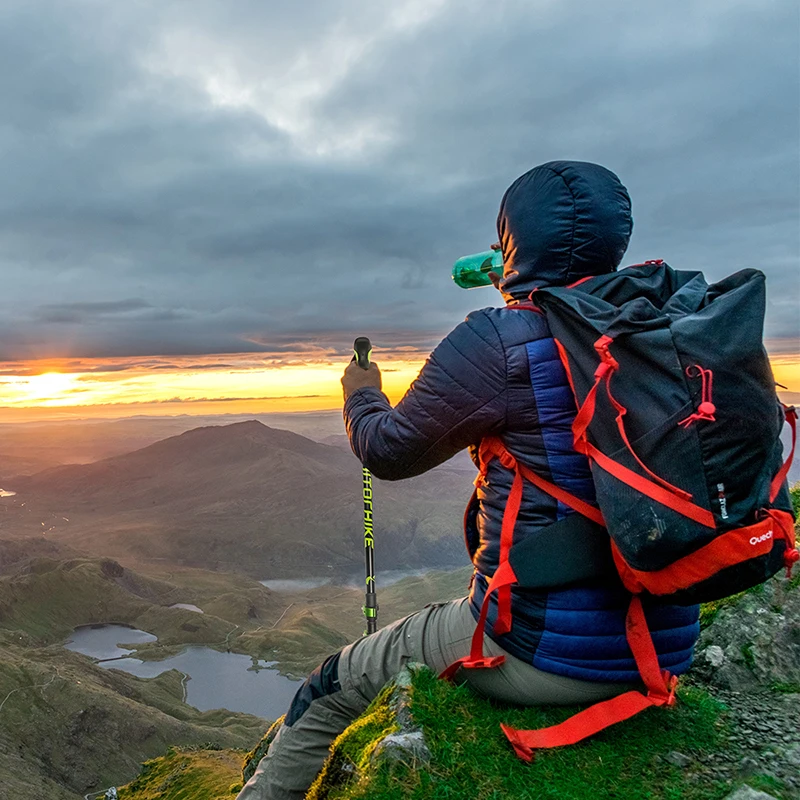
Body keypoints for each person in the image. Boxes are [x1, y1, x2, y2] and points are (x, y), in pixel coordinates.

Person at [237, 161, 700, 800]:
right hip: (669, 641)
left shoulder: (499, 338)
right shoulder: (668, 330)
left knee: (330, 683)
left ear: (513, 241)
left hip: (541, 651)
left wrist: (361, 395)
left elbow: (388, 452)